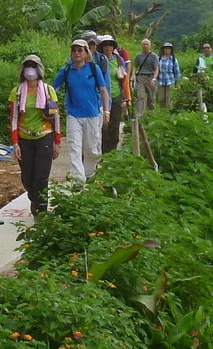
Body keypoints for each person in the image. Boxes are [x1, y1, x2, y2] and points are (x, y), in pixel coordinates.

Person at [8, 55, 60, 215]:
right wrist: (15, 143)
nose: (30, 70)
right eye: (27, 66)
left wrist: (57, 142)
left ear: (39, 70)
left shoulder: (48, 91)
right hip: (24, 138)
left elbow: (56, 117)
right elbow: (14, 118)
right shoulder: (17, 92)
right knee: (27, 177)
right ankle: (34, 199)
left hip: (45, 136)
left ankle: (41, 211)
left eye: (33, 66)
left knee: (41, 176)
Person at [52, 37, 110, 180]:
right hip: (73, 115)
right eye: (74, 50)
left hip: (92, 114)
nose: (77, 53)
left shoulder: (94, 69)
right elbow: (53, 89)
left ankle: (89, 174)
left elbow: (103, 91)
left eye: (80, 50)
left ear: (86, 53)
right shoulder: (66, 70)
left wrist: (106, 110)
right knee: (75, 147)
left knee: (91, 148)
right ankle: (78, 180)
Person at [99, 35, 130, 154]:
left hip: (116, 96)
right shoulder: (99, 60)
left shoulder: (119, 60)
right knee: (103, 127)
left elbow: (124, 79)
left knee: (114, 125)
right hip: (102, 98)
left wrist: (127, 97)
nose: (108, 47)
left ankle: (111, 153)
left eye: (110, 45)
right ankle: (102, 151)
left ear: (114, 47)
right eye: (105, 45)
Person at [130, 38, 160, 123]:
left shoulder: (154, 56)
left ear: (150, 46)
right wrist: (133, 76)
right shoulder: (138, 56)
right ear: (141, 46)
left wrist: (154, 79)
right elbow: (135, 66)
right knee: (140, 96)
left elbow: (156, 68)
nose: (145, 46)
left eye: (147, 44)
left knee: (151, 98)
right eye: (144, 44)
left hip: (151, 77)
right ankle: (138, 116)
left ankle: (151, 115)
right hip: (141, 77)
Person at [156, 41, 181, 108]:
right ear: (163, 49)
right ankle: (162, 110)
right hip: (160, 81)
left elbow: (177, 71)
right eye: (166, 48)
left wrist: (178, 83)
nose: (167, 50)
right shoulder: (159, 59)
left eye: (169, 48)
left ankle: (168, 111)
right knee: (161, 98)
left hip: (170, 81)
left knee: (169, 98)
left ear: (171, 50)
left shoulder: (173, 60)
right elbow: (156, 69)